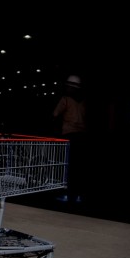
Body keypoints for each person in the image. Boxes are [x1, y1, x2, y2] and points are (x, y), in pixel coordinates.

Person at [53, 74, 87, 203]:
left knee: (66, 166)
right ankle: (78, 195)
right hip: (82, 136)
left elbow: (55, 114)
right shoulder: (84, 101)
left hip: (68, 136)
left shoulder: (65, 99)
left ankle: (65, 193)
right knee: (78, 167)